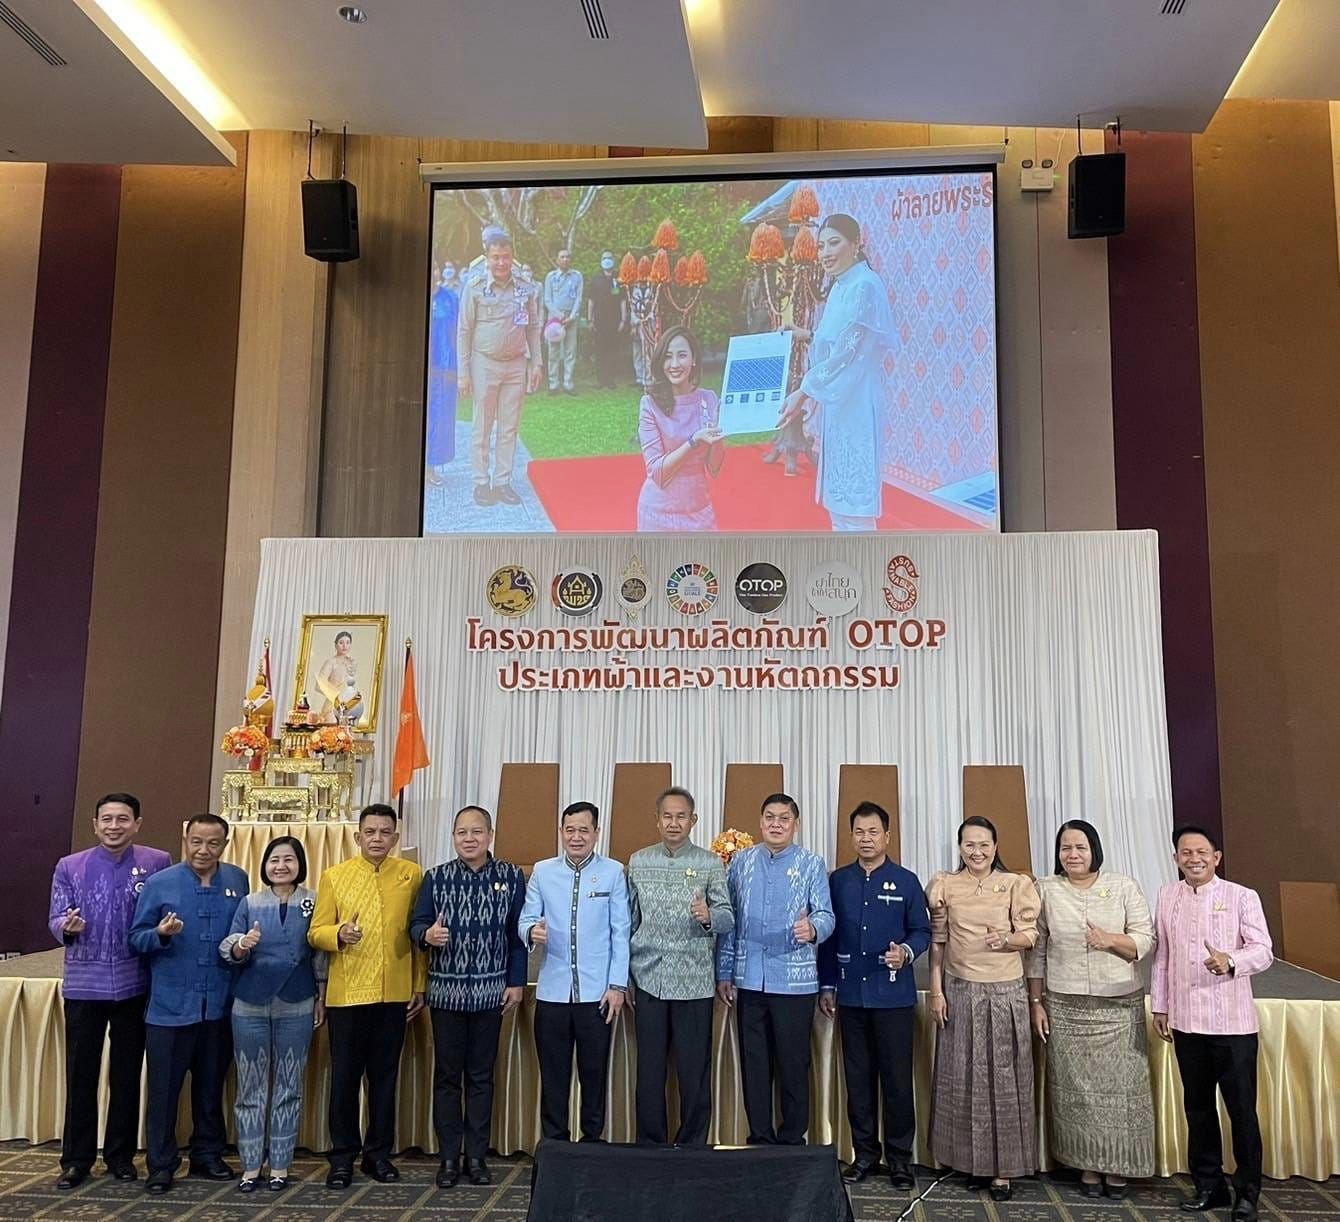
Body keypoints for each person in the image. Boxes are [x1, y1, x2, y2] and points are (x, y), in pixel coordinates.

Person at [1026, 820, 1156, 1199]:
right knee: (1074, 1093)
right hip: (1065, 1005)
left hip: (1118, 1006)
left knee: (1122, 1093)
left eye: (1080, 847)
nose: (1073, 855)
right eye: (1065, 848)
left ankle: (1119, 1168)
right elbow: (1036, 951)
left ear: (1094, 849)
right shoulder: (1047, 890)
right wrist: (1036, 1001)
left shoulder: (1122, 886)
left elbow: (1144, 940)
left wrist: (1110, 941)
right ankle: (1086, 1166)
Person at [48, 793, 171, 1189]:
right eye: (107, 819)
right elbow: (55, 915)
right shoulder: (70, 866)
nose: (114, 826)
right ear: (94, 823)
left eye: (122, 819)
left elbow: (162, 915)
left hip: (136, 983)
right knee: (80, 1074)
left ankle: (120, 1156)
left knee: (127, 1073)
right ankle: (76, 1159)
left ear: (137, 823)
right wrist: (66, 927)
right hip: (85, 984)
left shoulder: (157, 863)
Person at [1151, 825, 1273, 1221]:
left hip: (1233, 1026)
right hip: (1187, 1022)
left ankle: (1248, 1192)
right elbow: (1164, 958)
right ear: (1175, 859)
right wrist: (1161, 1007)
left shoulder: (1241, 896)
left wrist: (1231, 961)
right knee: (1198, 1109)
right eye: (1185, 853)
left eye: (1201, 852)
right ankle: (1209, 1185)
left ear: (1216, 856)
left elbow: (1263, 951)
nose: (1194, 859)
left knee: (1241, 1111)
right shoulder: (1167, 896)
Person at [128, 813, 248, 1194]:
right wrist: (160, 934)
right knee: (164, 1090)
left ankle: (208, 1154)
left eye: (213, 843)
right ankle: (161, 1164)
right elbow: (136, 939)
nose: (203, 850)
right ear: (185, 838)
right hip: (170, 1007)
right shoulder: (161, 883)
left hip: (220, 1004)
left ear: (225, 845)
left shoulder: (237, 880)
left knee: (211, 1086)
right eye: (197, 841)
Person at [308, 803, 427, 1189]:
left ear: (395, 837)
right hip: (347, 996)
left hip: (394, 993)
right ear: (358, 837)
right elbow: (315, 931)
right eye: (370, 832)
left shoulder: (411, 875)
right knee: (344, 1080)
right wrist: (338, 933)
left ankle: (378, 1155)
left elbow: (419, 935)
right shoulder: (335, 876)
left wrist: (419, 985)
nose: (377, 839)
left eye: (385, 832)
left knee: (384, 1079)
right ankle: (342, 1157)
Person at [409, 806, 526, 1188]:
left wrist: (516, 982)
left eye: (476, 832)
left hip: (492, 994)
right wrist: (427, 935)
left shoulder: (509, 876)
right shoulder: (437, 877)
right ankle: (448, 1157)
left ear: (490, 835)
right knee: (447, 1078)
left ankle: (476, 1156)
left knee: (480, 1077)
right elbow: (416, 924)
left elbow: (517, 935)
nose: (469, 839)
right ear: (453, 837)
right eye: (461, 832)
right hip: (446, 993)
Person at [818, 801, 930, 1190]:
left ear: (887, 835)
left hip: (894, 997)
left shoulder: (906, 881)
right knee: (859, 1080)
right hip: (850, 996)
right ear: (851, 836)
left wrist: (907, 952)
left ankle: (899, 1159)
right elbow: (827, 940)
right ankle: (865, 1154)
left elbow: (922, 931)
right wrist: (828, 985)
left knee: (897, 1081)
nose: (866, 839)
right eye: (859, 832)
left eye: (873, 832)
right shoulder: (837, 881)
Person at [926, 815, 1039, 1202]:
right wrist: (936, 992)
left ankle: (1002, 1170)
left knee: (1003, 1083)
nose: (977, 851)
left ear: (995, 846)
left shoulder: (1014, 884)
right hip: (959, 990)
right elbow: (938, 944)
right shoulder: (946, 884)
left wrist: (1007, 940)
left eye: (984, 844)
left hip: (1005, 993)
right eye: (969, 845)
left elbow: (1030, 936)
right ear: (960, 848)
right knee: (962, 1081)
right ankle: (970, 1163)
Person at [716, 793, 834, 1145]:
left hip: (794, 982)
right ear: (761, 821)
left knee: (793, 1064)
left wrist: (812, 928)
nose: (776, 824)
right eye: (770, 817)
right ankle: (760, 1137)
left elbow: (826, 915)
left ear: (795, 824)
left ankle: (792, 1139)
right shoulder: (741, 863)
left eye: (784, 818)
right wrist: (724, 972)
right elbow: (729, 921)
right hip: (749, 979)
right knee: (755, 1064)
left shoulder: (812, 864)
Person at [220, 836, 327, 1193]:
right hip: (249, 1003)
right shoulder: (250, 902)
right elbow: (229, 946)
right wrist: (241, 946)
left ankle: (280, 1165)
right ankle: (251, 1166)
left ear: (300, 864)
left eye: (289, 860)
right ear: (264, 865)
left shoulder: (313, 901)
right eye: (274, 860)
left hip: (297, 1002)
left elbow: (320, 955)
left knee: (288, 1086)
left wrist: (321, 997)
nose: (281, 866)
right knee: (249, 1086)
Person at [627, 786, 733, 1145]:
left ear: (694, 820)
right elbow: (628, 920)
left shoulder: (709, 862)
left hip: (694, 981)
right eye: (667, 816)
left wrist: (709, 917)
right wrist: (624, 978)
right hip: (648, 977)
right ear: (657, 820)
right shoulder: (639, 861)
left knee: (693, 1072)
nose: (674, 823)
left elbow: (728, 917)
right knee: (650, 1072)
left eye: (681, 816)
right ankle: (651, 1145)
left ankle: (692, 1145)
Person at [519, 801, 630, 1142]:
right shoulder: (543, 871)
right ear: (561, 832)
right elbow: (525, 919)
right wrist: (530, 932)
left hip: (597, 994)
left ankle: (592, 1145)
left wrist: (617, 985)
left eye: (584, 830)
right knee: (553, 1076)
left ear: (597, 833)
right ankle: (555, 1147)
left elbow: (620, 932)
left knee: (593, 1075)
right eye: (570, 830)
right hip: (553, 991)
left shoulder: (613, 872)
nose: (576, 837)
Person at [777, 213, 894, 530]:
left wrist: (802, 392)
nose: (825, 253)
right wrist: (807, 335)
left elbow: (850, 353)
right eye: (820, 246)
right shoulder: (842, 287)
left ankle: (862, 573)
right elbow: (840, 342)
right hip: (840, 405)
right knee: (840, 505)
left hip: (856, 404)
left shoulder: (865, 286)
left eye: (834, 243)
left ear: (856, 244)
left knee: (855, 505)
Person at [457, 226, 543, 507]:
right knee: (482, 425)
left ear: (512, 256)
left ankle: (503, 481)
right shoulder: (475, 287)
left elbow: (533, 327)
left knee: (509, 427)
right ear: (487, 257)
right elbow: (464, 331)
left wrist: (536, 364)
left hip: (516, 364)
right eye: (496, 257)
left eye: (505, 257)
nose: (501, 263)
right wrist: (463, 373)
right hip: (484, 364)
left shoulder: (524, 287)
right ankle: (481, 482)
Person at [636, 326, 725, 531]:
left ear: (693, 360)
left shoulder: (709, 399)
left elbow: (714, 468)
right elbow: (657, 472)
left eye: (682, 355)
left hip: (699, 511)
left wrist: (720, 434)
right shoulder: (649, 404)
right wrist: (693, 442)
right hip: (658, 515)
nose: (675, 364)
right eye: (668, 357)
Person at [426, 261, 461, 485]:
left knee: (439, 417)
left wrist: (457, 368)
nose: (434, 271)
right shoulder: (414, 296)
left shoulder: (450, 298)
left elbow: (459, 333)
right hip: (421, 368)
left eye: (436, 267)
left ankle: (430, 466)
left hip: (444, 368)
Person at [543, 248, 584, 395]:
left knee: (570, 352)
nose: (565, 259)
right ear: (557, 260)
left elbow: (579, 298)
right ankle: (553, 384)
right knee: (553, 352)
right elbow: (547, 299)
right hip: (555, 319)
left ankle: (568, 384)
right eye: (562, 257)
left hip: (571, 319)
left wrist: (572, 316)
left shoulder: (577, 276)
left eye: (567, 257)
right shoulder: (551, 277)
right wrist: (558, 316)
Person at [587, 250, 628, 388]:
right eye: (604, 258)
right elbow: (591, 301)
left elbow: (623, 300)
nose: (607, 260)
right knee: (600, 350)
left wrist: (623, 319)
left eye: (609, 258)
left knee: (612, 350)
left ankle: (610, 379)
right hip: (599, 320)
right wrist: (590, 319)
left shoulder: (619, 279)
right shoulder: (596, 280)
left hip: (615, 321)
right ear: (601, 261)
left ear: (613, 260)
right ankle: (601, 379)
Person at [315, 630, 362, 725]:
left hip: (349, 705)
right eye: (341, 643)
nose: (344, 646)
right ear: (335, 645)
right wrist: (336, 695)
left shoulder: (352, 663)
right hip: (333, 705)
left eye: (347, 643)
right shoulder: (331, 662)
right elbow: (319, 685)